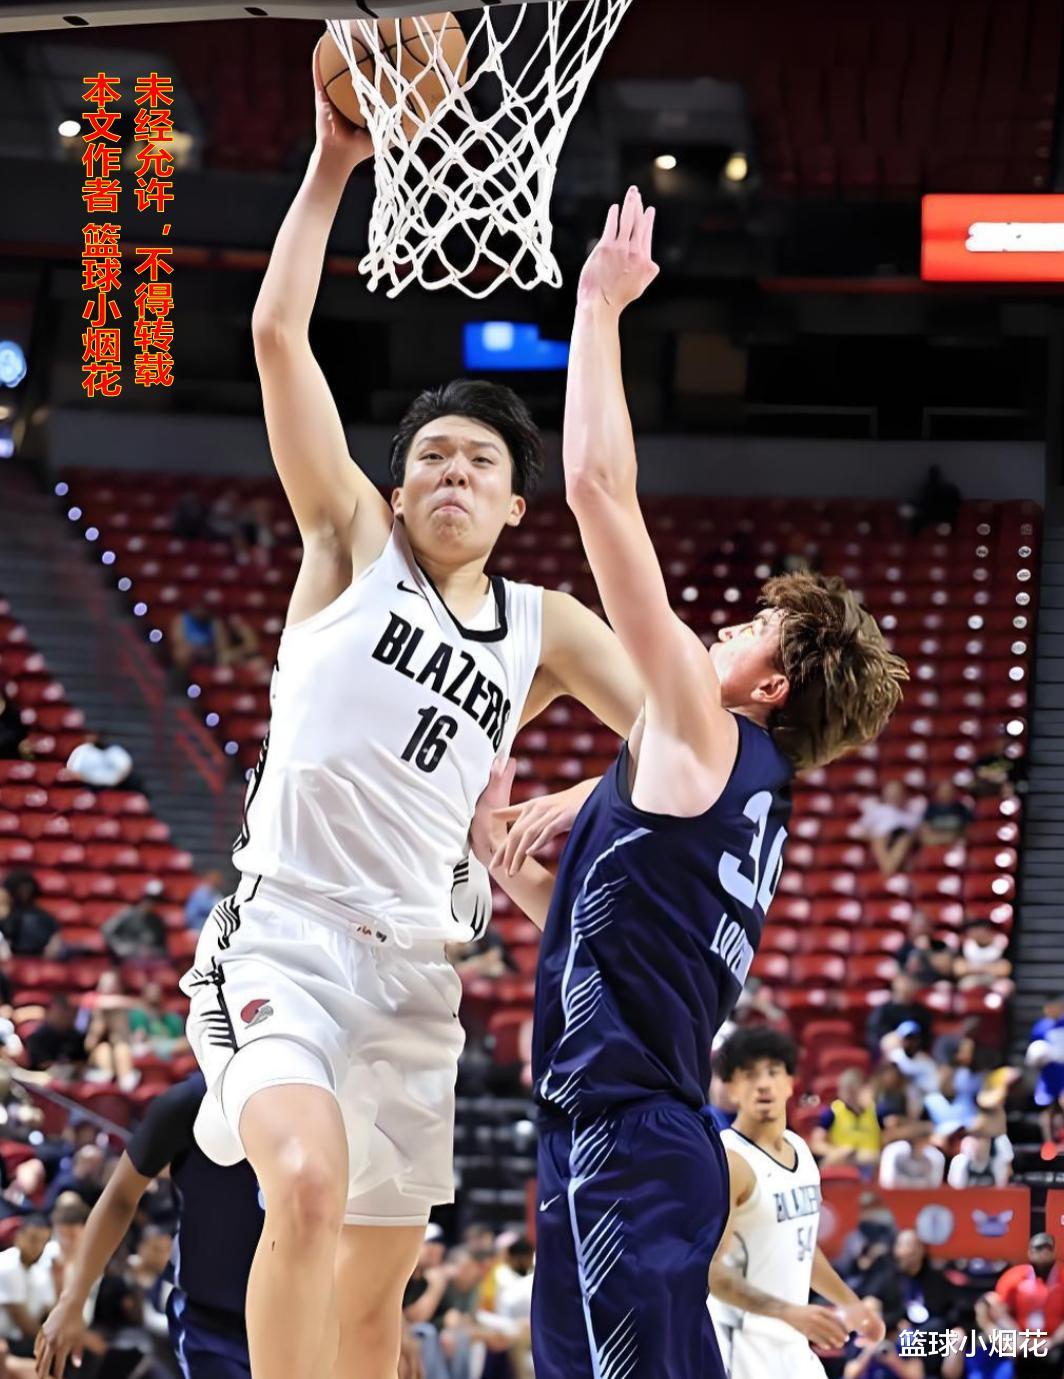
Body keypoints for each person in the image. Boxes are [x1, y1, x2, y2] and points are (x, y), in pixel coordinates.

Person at [179, 56, 648, 1379]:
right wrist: (333, 163)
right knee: (303, 1185)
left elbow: (682, 737)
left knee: (373, 1307)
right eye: (431, 454)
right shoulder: (348, 543)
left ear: (512, 505)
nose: (452, 469)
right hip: (284, 934)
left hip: (417, 977)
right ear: (396, 489)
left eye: (480, 460)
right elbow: (278, 338)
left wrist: (580, 796)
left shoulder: (546, 626)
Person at [471, 189, 905, 1379]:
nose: (726, 626)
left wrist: (597, 306)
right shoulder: (734, 789)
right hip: (608, 1135)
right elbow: (617, 946)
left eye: (754, 628)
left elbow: (596, 489)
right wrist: (511, 869)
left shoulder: (704, 737)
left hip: (626, 1141)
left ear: (773, 684)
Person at [35, 1074, 262, 1379]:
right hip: (212, 1324)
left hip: (305, 1310)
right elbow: (120, 1196)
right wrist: (72, 1301)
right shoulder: (190, 1100)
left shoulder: (321, 1092)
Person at [707, 1029, 884, 1378]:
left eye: (773, 1072)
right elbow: (710, 1272)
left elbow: (800, 1247)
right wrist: (788, 1312)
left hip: (792, 1343)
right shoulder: (730, 1161)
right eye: (749, 1075)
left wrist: (850, 1304)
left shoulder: (800, 1150)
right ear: (732, 1089)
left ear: (790, 1083)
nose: (763, 1085)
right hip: (741, 1347)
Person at [988, 1234, 1064, 1379]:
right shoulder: (1013, 1277)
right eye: (1038, 1249)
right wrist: (1020, 1338)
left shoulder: (1062, 1276)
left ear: (1054, 1252)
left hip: (1055, 1341)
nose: (1043, 1254)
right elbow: (999, 1313)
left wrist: (1053, 1341)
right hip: (1020, 1340)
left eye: (1047, 1249)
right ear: (1029, 1252)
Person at [810, 1068, 883, 1172]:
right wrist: (837, 1151)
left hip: (871, 1162)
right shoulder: (832, 1111)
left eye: (853, 1091)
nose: (849, 1096)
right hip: (843, 1161)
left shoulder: (877, 1111)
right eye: (846, 1090)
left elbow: (888, 1137)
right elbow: (816, 1144)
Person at [0, 1218, 53, 1359]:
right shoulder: (8, 1264)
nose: (38, 1246)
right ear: (19, 1237)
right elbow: (21, 1318)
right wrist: (53, 1341)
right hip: (7, 1341)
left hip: (21, 1339)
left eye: (43, 1242)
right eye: (33, 1239)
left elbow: (50, 1310)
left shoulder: (39, 1270)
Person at [856, 782, 922, 877]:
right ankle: (889, 869)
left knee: (904, 840)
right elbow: (859, 832)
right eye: (890, 793)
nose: (893, 796)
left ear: (904, 795)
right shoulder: (877, 810)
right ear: (884, 795)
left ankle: (888, 870)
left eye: (897, 793)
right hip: (881, 840)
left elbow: (918, 834)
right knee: (878, 841)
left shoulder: (912, 814)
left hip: (902, 842)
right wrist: (877, 836)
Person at [866, 974, 933, 1055]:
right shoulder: (883, 1011)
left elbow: (926, 1038)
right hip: (889, 1053)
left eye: (909, 983)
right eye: (903, 983)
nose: (906, 987)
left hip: (915, 1054)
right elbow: (875, 1037)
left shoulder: (921, 1012)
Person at [101, 884, 168, 962]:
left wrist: (152, 951)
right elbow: (107, 929)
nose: (151, 903)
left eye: (155, 900)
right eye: (148, 899)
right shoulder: (127, 913)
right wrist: (119, 947)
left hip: (146, 961)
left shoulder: (157, 922)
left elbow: (162, 948)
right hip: (124, 959)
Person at [0, 875, 60, 960]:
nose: (25, 893)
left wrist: (53, 946)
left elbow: (55, 933)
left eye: (28, 889)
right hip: (11, 956)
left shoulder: (40, 915)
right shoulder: (5, 914)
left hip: (39, 956)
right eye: (21, 889)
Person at [24, 999, 87, 1078]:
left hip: (74, 1079)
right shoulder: (37, 1037)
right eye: (63, 1013)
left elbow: (83, 1062)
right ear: (51, 1012)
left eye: (72, 1013)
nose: (68, 1016)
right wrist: (67, 1067)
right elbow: (41, 1065)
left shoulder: (77, 1037)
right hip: (42, 1080)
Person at [894, 912, 955, 987]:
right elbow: (902, 971)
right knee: (901, 984)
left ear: (931, 929)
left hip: (936, 981)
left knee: (945, 985)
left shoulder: (939, 945)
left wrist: (927, 950)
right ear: (910, 930)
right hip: (914, 983)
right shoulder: (905, 948)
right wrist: (916, 953)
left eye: (924, 926)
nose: (920, 929)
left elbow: (946, 970)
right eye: (917, 926)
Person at [878, 1124, 945, 1189]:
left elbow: (933, 1186)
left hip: (923, 1195)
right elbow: (888, 1182)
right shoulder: (894, 1151)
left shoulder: (935, 1156)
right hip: (896, 1194)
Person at [953, 920, 1012, 994]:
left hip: (994, 979)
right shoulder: (966, 944)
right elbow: (958, 969)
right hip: (972, 978)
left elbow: (1005, 970)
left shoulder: (1001, 943)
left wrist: (973, 968)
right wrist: (990, 968)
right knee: (963, 986)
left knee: (1005, 986)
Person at [919, 782, 972, 848]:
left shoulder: (962, 809)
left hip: (956, 846)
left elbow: (968, 832)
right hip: (934, 844)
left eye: (949, 791)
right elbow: (925, 834)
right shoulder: (931, 809)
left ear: (955, 793)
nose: (946, 794)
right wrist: (947, 838)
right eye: (944, 791)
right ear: (938, 793)